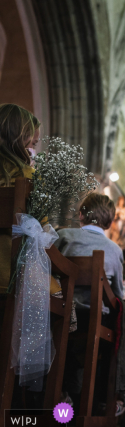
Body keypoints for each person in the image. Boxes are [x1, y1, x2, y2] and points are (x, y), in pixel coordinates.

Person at [55, 193, 125, 427]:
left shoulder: (63, 236)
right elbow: (116, 293)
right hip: (95, 320)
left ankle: (61, 402)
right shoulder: (114, 250)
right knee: (122, 339)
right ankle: (104, 403)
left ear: (81, 214)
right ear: (109, 223)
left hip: (60, 315)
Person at [0, 104, 41, 294]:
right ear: (19, 138)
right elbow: (40, 233)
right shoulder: (27, 177)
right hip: (7, 275)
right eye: (32, 143)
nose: (33, 149)